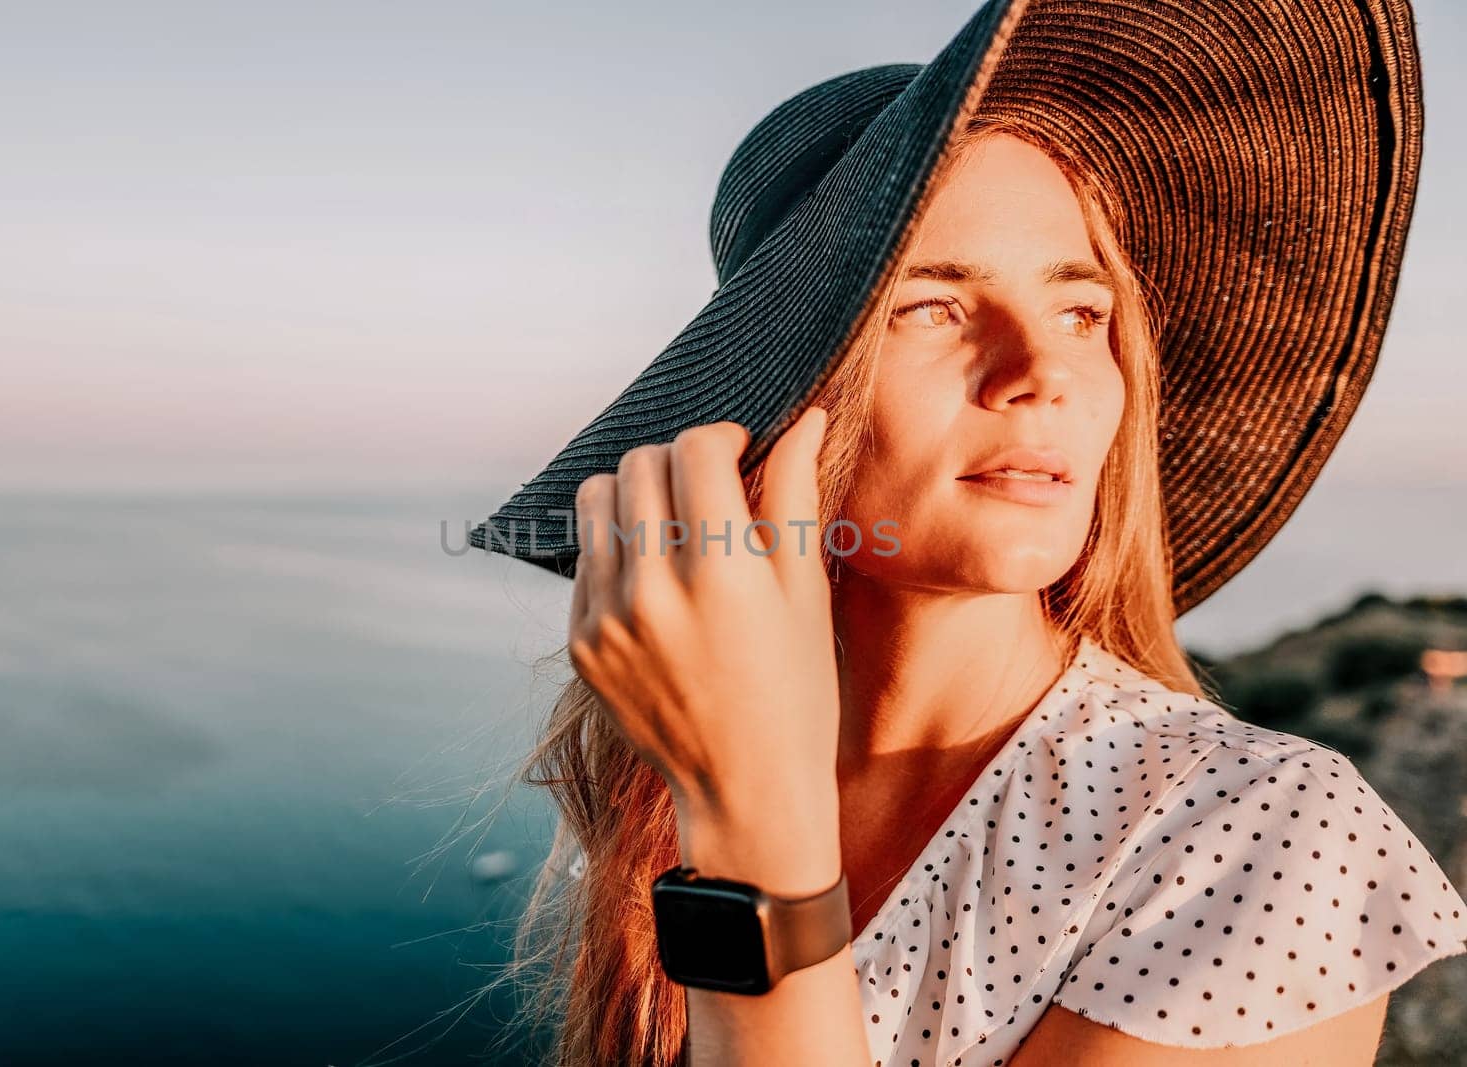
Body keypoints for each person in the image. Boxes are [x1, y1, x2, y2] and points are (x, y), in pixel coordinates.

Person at [461, 2, 1457, 1065]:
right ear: (781, 406)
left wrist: (754, 830)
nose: (1044, 371)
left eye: (1083, 312)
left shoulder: (1253, 831)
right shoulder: (662, 791)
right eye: (930, 306)